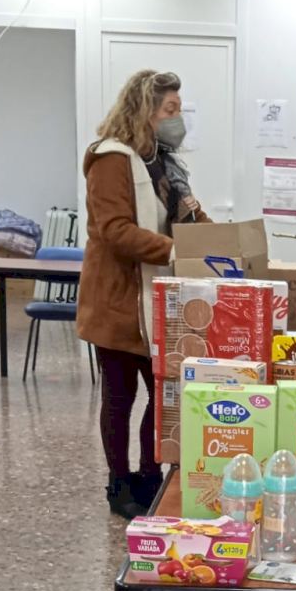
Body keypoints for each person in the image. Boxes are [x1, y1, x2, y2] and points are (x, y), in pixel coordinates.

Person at [77, 70, 209, 519]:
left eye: (179, 109)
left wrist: (219, 242)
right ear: (144, 110)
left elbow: (190, 217)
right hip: (117, 301)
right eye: (170, 109)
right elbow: (114, 230)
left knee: (162, 394)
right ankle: (119, 484)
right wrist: (175, 249)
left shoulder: (166, 163)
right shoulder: (110, 159)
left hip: (158, 301)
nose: (178, 118)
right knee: (120, 397)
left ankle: (151, 477)